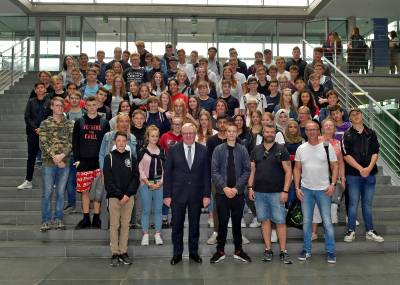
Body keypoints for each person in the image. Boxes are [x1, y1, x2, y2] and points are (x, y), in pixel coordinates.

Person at [164, 123, 211, 265]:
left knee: (194, 226)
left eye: (191, 133)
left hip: (196, 195)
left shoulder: (203, 150)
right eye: (186, 133)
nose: (188, 136)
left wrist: (206, 195)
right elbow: (168, 174)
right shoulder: (173, 150)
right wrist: (167, 195)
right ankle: (177, 254)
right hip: (177, 194)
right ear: (181, 134)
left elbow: (206, 174)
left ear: (195, 133)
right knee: (177, 226)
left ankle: (193, 253)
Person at [294, 121, 338, 264]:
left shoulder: (327, 146)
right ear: (305, 132)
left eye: (314, 129)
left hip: (323, 190)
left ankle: (331, 252)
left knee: (327, 222)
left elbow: (335, 166)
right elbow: (297, 169)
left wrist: (333, 184)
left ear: (318, 130)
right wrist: (296, 187)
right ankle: (306, 250)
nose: (312, 132)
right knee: (306, 222)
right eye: (309, 129)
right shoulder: (301, 148)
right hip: (306, 190)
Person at [248, 124, 293, 264]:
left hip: (277, 193)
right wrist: (250, 187)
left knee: (280, 222)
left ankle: (283, 251)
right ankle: (268, 250)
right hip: (260, 193)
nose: (269, 134)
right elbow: (252, 170)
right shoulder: (256, 150)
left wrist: (285, 190)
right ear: (263, 133)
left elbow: (289, 172)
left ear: (275, 133)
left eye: (272, 132)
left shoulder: (281, 149)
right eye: (267, 131)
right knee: (265, 221)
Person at [210, 122, 251, 263]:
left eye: (234, 131)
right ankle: (220, 251)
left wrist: (236, 188)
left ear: (237, 133)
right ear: (225, 133)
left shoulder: (243, 150)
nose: (231, 133)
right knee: (222, 223)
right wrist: (225, 188)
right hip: (222, 194)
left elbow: (247, 170)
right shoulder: (218, 150)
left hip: (238, 193)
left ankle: (238, 250)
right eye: (229, 131)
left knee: (237, 223)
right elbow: (214, 171)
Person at [342, 108, 384, 243]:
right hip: (353, 175)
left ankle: (370, 231)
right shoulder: (346, 135)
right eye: (353, 114)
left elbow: (375, 152)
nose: (356, 116)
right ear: (350, 119)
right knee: (353, 204)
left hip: (370, 175)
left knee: (367, 204)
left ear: (362, 115)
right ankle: (351, 230)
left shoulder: (371, 133)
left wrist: (369, 168)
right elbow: (346, 155)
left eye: (358, 113)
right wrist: (361, 169)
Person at [73, 96, 110, 229]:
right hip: (83, 162)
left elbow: (107, 144)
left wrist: (105, 162)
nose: (92, 107)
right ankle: (85, 218)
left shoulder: (104, 122)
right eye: (89, 105)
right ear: (85, 106)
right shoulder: (79, 122)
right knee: (85, 191)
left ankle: (96, 218)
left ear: (98, 106)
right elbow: (75, 142)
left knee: (98, 192)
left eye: (94, 105)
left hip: (98, 162)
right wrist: (77, 161)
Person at [38, 97, 74, 232]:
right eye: (57, 105)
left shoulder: (69, 124)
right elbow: (43, 143)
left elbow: (72, 143)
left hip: (64, 162)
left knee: (60, 192)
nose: (60, 108)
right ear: (52, 107)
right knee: (47, 192)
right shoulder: (45, 124)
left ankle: (58, 219)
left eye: (61, 105)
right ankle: (46, 220)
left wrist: (62, 156)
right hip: (48, 163)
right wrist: (55, 157)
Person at [104, 131, 139, 267]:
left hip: (128, 197)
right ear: (114, 142)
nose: (121, 143)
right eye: (118, 141)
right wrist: (119, 195)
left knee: (125, 225)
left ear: (127, 142)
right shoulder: (109, 158)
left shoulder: (132, 157)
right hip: (114, 198)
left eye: (123, 141)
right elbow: (108, 181)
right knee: (114, 225)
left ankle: (123, 251)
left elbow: (135, 178)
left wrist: (127, 194)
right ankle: (115, 253)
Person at [311, 118, 346, 240]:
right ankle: (314, 233)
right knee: (316, 206)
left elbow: (341, 162)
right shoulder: (316, 140)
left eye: (331, 125)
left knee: (332, 206)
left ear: (334, 128)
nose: (329, 127)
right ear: (322, 128)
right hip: (317, 178)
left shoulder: (337, 142)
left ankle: (328, 232)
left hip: (334, 179)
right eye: (326, 125)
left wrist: (343, 178)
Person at [18, 83, 52, 190]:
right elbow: (27, 117)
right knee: (31, 157)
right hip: (33, 134)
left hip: (46, 134)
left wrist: (43, 128)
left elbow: (51, 116)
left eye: (42, 87)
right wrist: (35, 129)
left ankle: (51, 181)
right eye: (38, 88)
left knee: (48, 158)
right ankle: (28, 181)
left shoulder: (50, 102)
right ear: (35, 90)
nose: (40, 89)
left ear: (45, 89)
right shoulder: (31, 101)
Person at [138, 125, 166, 246]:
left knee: (159, 209)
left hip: (159, 183)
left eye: (156, 136)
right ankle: (145, 234)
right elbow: (139, 168)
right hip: (146, 183)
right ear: (147, 137)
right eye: (152, 136)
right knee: (146, 209)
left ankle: (158, 234)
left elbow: (166, 168)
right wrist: (147, 182)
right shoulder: (142, 151)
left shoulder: (162, 151)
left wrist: (161, 181)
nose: (154, 138)